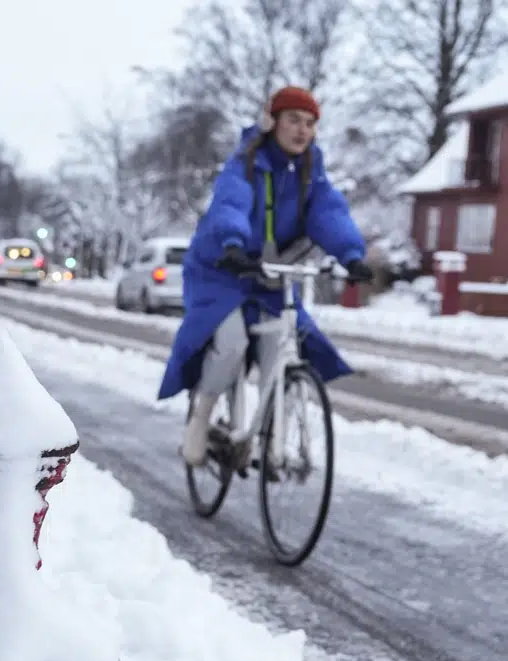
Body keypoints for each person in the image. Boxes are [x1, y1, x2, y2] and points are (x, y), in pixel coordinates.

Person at [157, 85, 374, 466]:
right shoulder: (245, 163)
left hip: (268, 274)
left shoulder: (311, 172)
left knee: (286, 342)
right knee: (232, 341)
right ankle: (200, 420)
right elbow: (231, 203)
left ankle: (271, 439)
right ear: (272, 122)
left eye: (309, 123)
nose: (301, 130)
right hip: (222, 267)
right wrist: (233, 243)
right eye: (293, 120)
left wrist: (352, 255)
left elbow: (329, 213)